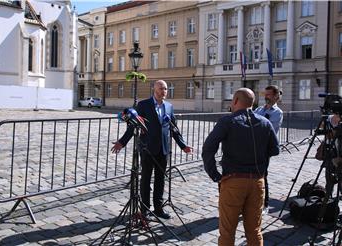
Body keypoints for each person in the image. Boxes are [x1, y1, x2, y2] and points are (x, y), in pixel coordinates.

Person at [202, 88, 279, 246]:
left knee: (227, 231)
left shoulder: (227, 121)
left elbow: (208, 149)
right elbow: (274, 150)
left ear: (235, 101)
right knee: (254, 230)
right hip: (257, 182)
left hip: (233, 181)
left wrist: (215, 175)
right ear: (253, 103)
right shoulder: (265, 122)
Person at [111, 80, 193, 219]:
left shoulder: (169, 106)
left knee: (160, 180)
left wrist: (183, 145)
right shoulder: (143, 105)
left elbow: (174, 128)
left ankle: (159, 208)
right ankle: (144, 210)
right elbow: (133, 126)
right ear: (154, 90)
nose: (164, 91)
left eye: (166, 89)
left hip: (163, 149)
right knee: (146, 180)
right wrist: (122, 142)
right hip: (147, 149)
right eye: (161, 88)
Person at [254, 85, 283, 214]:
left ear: (276, 96)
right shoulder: (259, 109)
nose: (266, 97)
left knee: (263, 175)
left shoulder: (277, 112)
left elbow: (270, 129)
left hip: (264, 148)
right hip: (252, 145)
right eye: (265, 94)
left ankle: (264, 204)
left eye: (269, 94)